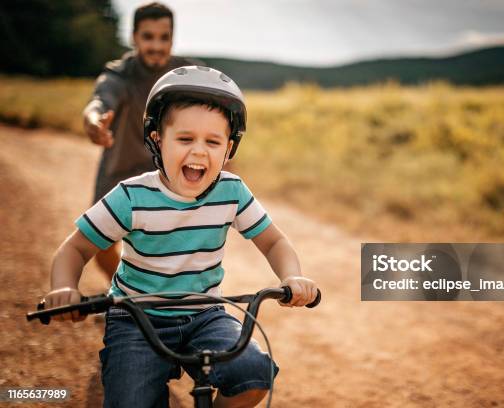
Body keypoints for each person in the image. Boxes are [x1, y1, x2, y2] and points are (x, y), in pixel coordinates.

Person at [44, 66, 319, 408]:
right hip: (136, 317)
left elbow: (274, 241)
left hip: (206, 314)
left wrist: (291, 275)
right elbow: (76, 248)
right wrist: (64, 286)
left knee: (253, 373)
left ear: (229, 148)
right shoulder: (132, 196)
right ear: (158, 139)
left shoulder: (232, 192)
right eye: (185, 139)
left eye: (213, 141)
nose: (199, 151)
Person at [83, 2, 198, 281]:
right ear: (134, 37)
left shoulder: (187, 73)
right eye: (148, 37)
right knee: (101, 246)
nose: (157, 46)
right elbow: (100, 101)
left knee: (176, 246)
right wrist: (93, 121)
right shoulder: (120, 74)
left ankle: (162, 302)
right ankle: (128, 295)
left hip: (169, 174)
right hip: (119, 172)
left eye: (164, 37)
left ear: (173, 37)